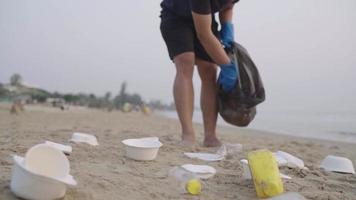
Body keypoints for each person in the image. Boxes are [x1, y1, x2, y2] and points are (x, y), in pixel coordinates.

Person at [160, 0, 240, 147]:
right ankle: (188, 134)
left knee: (209, 69)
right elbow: (203, 34)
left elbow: (228, 5)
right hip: (176, 17)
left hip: (206, 18)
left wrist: (227, 28)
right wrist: (228, 66)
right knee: (185, 61)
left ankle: (210, 136)